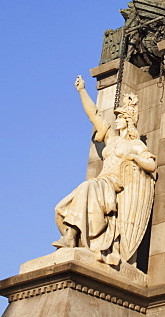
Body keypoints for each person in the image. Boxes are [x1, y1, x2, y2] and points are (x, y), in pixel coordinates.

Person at [53, 76, 156, 268]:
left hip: (113, 184)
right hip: (102, 182)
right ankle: (72, 236)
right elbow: (95, 115)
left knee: (87, 187)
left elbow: (151, 165)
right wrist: (82, 91)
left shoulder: (135, 144)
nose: (116, 121)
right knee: (62, 206)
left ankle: (71, 236)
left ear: (128, 121)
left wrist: (133, 158)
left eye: (120, 118)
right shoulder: (112, 139)